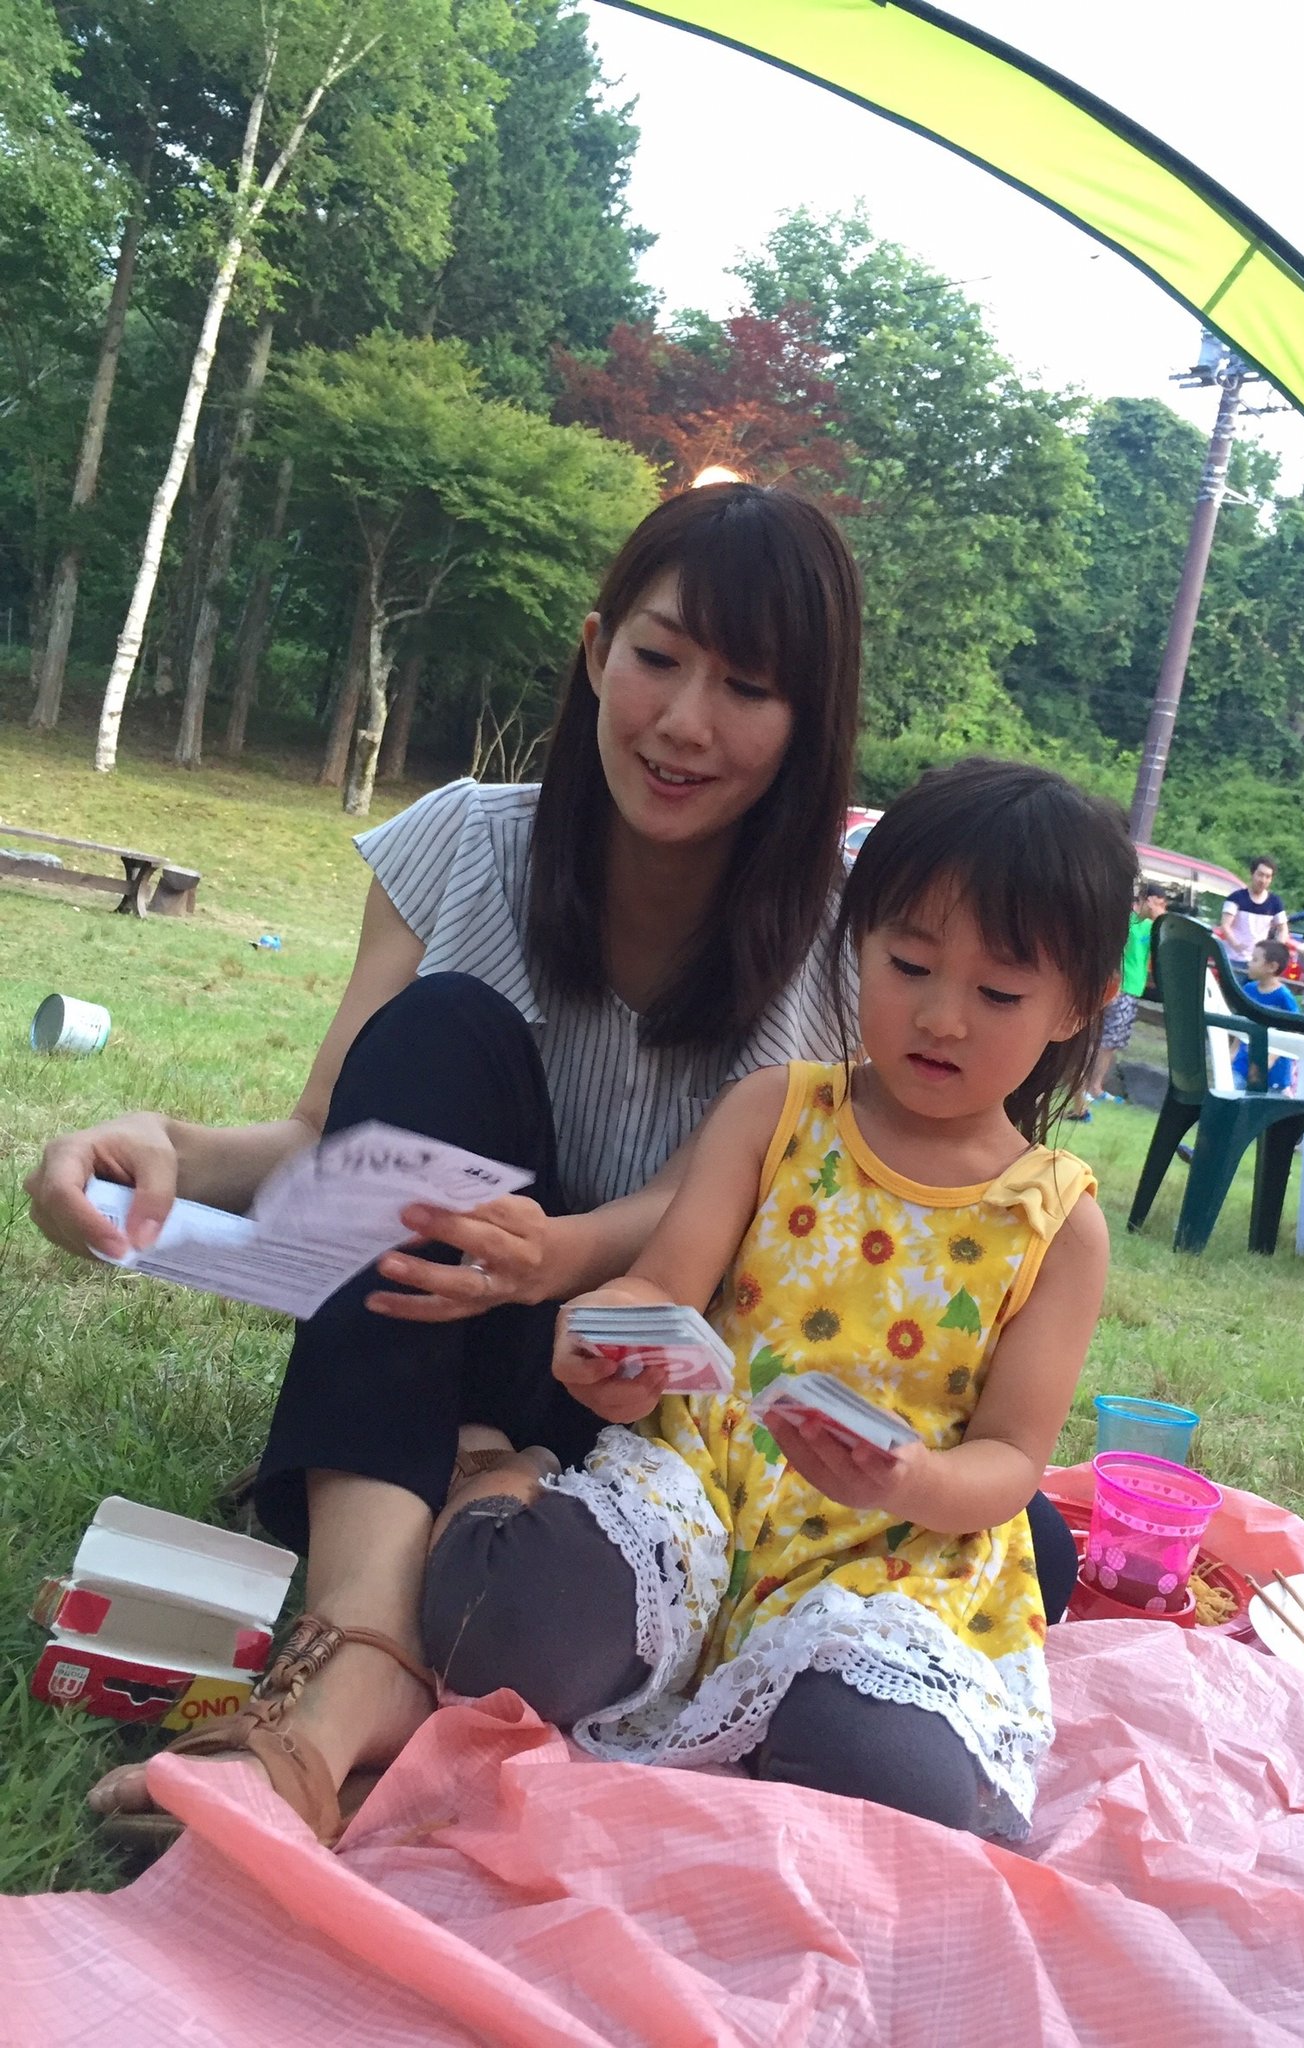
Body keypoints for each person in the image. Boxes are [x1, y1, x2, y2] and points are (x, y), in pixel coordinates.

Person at [24, 485, 1078, 1845]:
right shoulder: (464, 842)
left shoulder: (866, 937)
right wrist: (153, 1153)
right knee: (443, 1028)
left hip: (679, 1410)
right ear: (594, 650)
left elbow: (775, 1189)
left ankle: (483, 1495)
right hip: (452, 1320)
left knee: (1031, 1550)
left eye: (748, 687)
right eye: (659, 657)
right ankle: (360, 1658)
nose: (684, 721)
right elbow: (334, 1144)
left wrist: (574, 1258)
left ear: (809, 723)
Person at [418, 759, 1132, 1841]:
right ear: (859, 942)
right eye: (909, 964)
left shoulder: (1056, 1223)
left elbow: (1011, 1461)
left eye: (998, 993)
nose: (941, 1017)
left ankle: (793, 1711)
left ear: (1079, 1003)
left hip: (890, 1563)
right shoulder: (776, 1112)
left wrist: (915, 1477)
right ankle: (502, 1476)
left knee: (893, 1793)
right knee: (493, 1630)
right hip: (700, 1493)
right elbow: (660, 1291)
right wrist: (609, 1347)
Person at [1070, 880, 1168, 1118]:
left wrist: (1160, 921)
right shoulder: (1127, 922)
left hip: (1134, 989)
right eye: (1158, 903)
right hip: (1118, 987)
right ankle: (1084, 1087)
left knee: (1113, 1041)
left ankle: (1096, 1086)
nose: (1161, 908)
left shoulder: (1151, 927)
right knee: (1097, 1038)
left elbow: (1162, 951)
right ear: (1147, 899)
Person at [1230, 937, 1301, 1093]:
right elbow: (1242, 1023)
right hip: (1243, 1062)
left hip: (1273, 1071)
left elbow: (1293, 1030)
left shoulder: (1284, 997)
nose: (1249, 963)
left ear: (1272, 966)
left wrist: (1271, 1057)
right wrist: (1233, 1051)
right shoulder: (1248, 989)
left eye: (1255, 959)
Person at [1218, 858, 1287, 971]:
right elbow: (1225, 925)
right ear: (1252, 874)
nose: (1263, 880)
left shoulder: (1275, 902)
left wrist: (1275, 951)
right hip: (1234, 959)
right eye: (1260, 875)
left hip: (1259, 962)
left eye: (1268, 877)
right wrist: (1236, 945)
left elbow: (1283, 929)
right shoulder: (1235, 898)